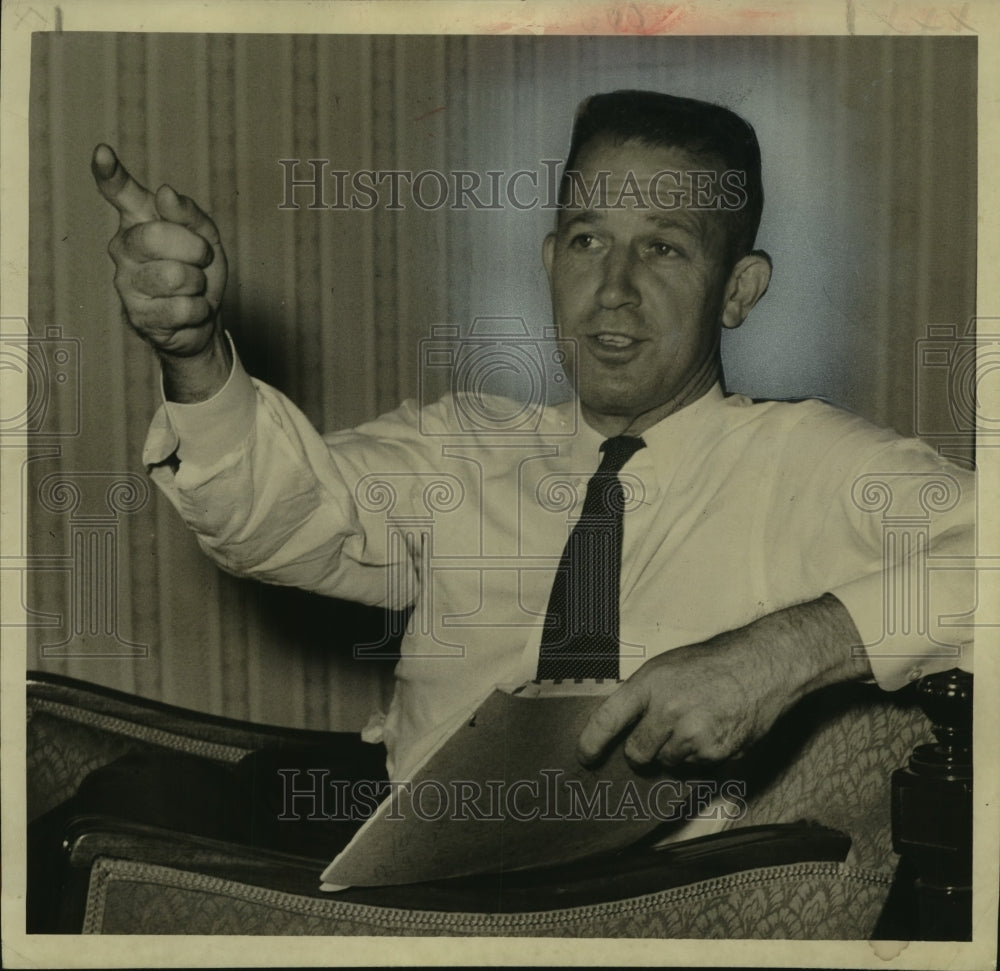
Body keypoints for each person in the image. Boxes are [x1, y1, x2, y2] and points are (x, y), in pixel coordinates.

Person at [89, 90, 972, 809]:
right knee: (115, 801)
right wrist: (194, 353)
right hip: (412, 891)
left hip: (656, 910)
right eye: (589, 241)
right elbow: (274, 515)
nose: (614, 290)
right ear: (552, 261)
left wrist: (775, 657)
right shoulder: (460, 449)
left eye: (664, 248)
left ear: (738, 290)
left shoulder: (803, 463)